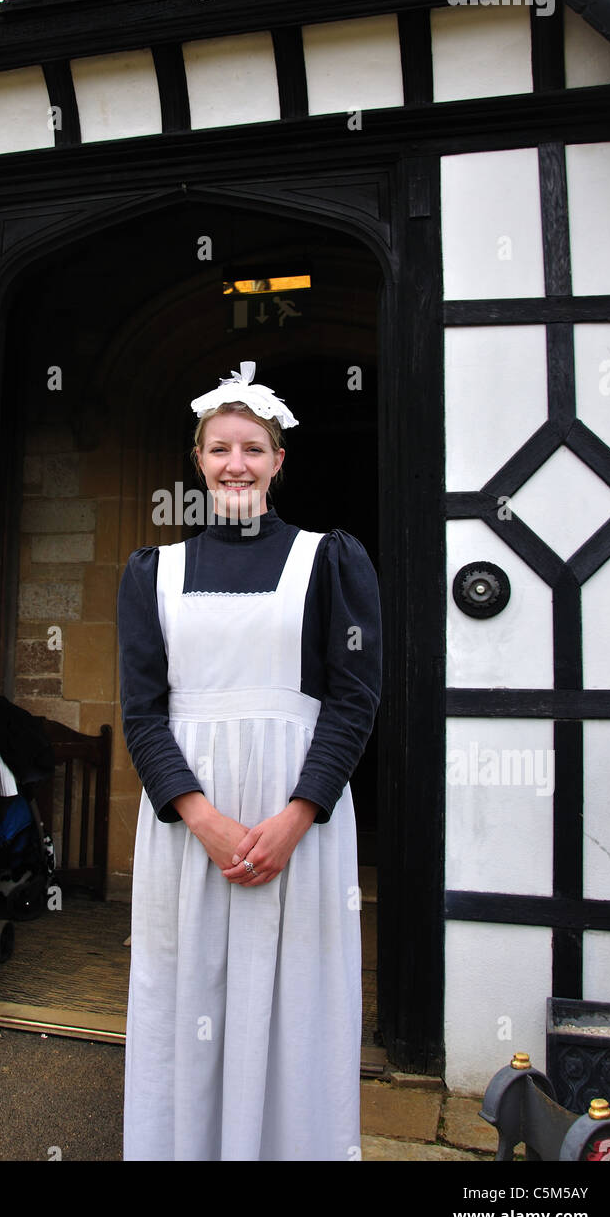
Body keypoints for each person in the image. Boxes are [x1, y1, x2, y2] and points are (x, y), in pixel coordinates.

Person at [117, 361, 382, 1161]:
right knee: (186, 989)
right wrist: (200, 818)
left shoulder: (329, 560)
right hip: (187, 826)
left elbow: (354, 698)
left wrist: (295, 816)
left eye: (253, 448)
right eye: (219, 448)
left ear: (277, 461)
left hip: (295, 818)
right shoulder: (150, 573)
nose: (236, 462)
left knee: (294, 999)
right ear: (196, 460)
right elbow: (141, 712)